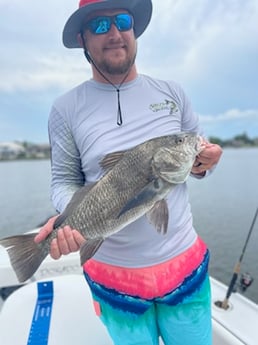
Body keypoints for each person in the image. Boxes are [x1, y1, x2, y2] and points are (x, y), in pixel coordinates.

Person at [35, 0, 222, 344]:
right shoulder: (65, 109)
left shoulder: (172, 93)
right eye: (100, 26)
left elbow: (196, 151)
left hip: (185, 268)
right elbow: (63, 180)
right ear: (82, 40)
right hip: (113, 281)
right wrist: (69, 216)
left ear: (134, 30)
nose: (116, 33)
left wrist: (205, 162)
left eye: (123, 21)